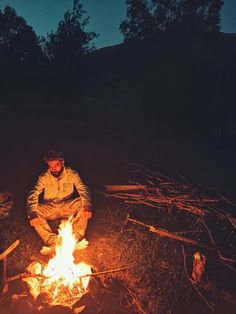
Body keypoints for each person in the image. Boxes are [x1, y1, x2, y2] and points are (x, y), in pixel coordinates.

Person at [27, 150, 92, 254]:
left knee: (82, 202)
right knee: (34, 210)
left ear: (62, 162)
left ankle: (75, 239)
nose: (53, 169)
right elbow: (34, 193)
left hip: (66, 206)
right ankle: (52, 242)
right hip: (50, 208)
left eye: (56, 165)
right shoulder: (44, 177)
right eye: (50, 166)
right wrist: (32, 212)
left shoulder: (72, 174)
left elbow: (83, 188)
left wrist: (87, 204)